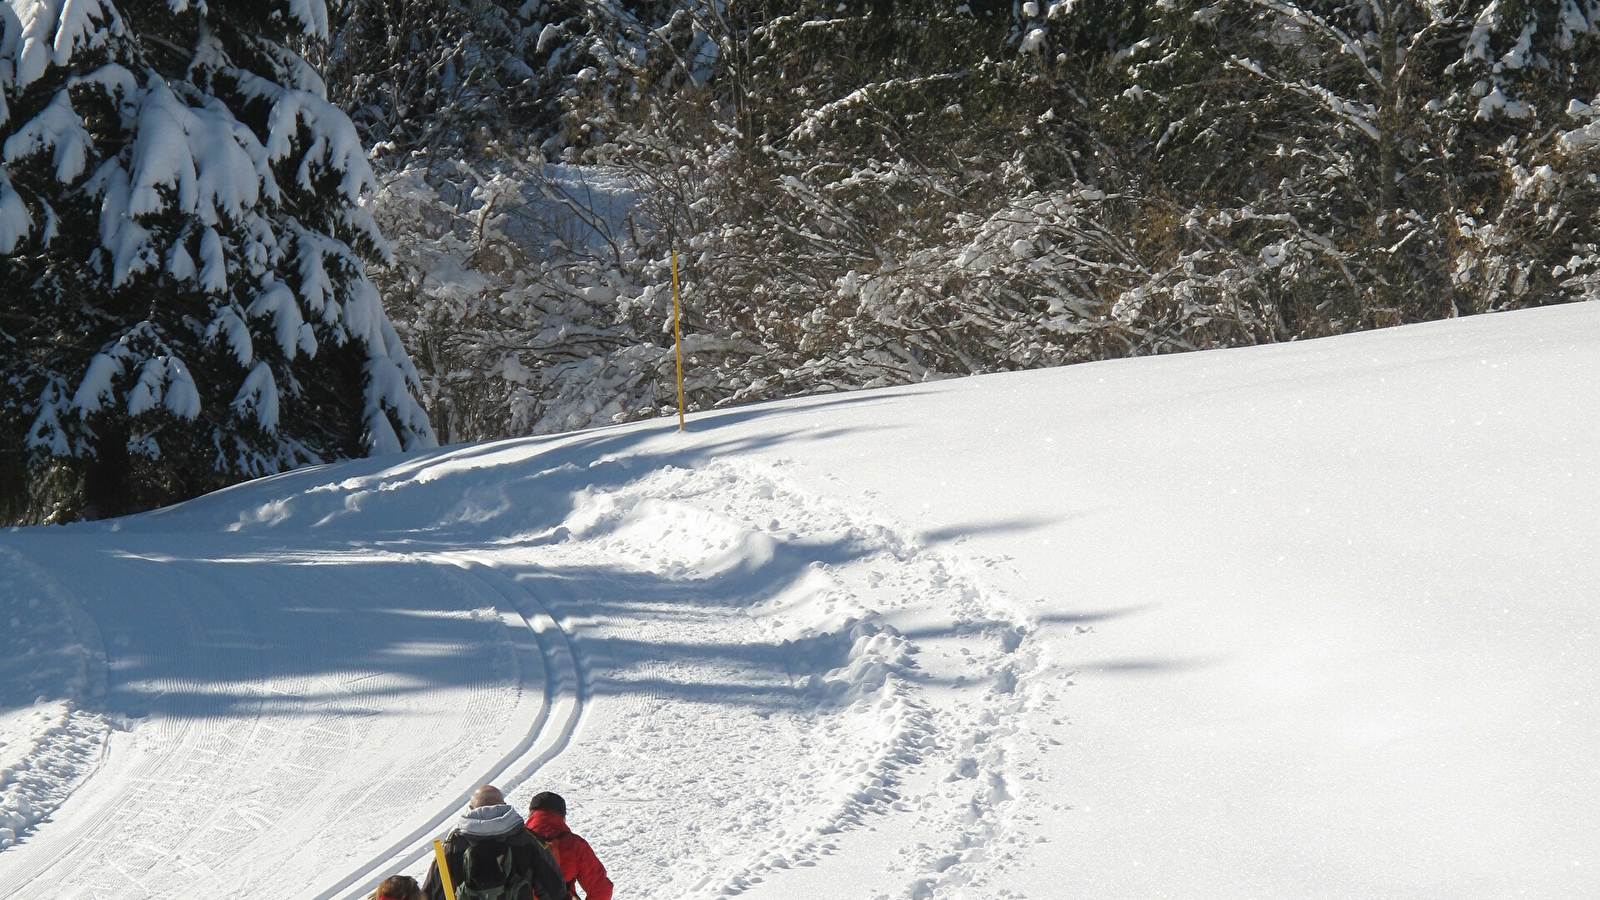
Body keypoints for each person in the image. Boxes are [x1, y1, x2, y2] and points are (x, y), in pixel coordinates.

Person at [423, 785, 567, 900]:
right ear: (503, 805)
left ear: (471, 808)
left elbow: (430, 894)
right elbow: (555, 890)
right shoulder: (527, 839)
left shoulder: (453, 846)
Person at [525, 791, 613, 900]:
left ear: (531, 813)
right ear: (562, 816)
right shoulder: (574, 845)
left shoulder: (515, 839)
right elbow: (601, 889)